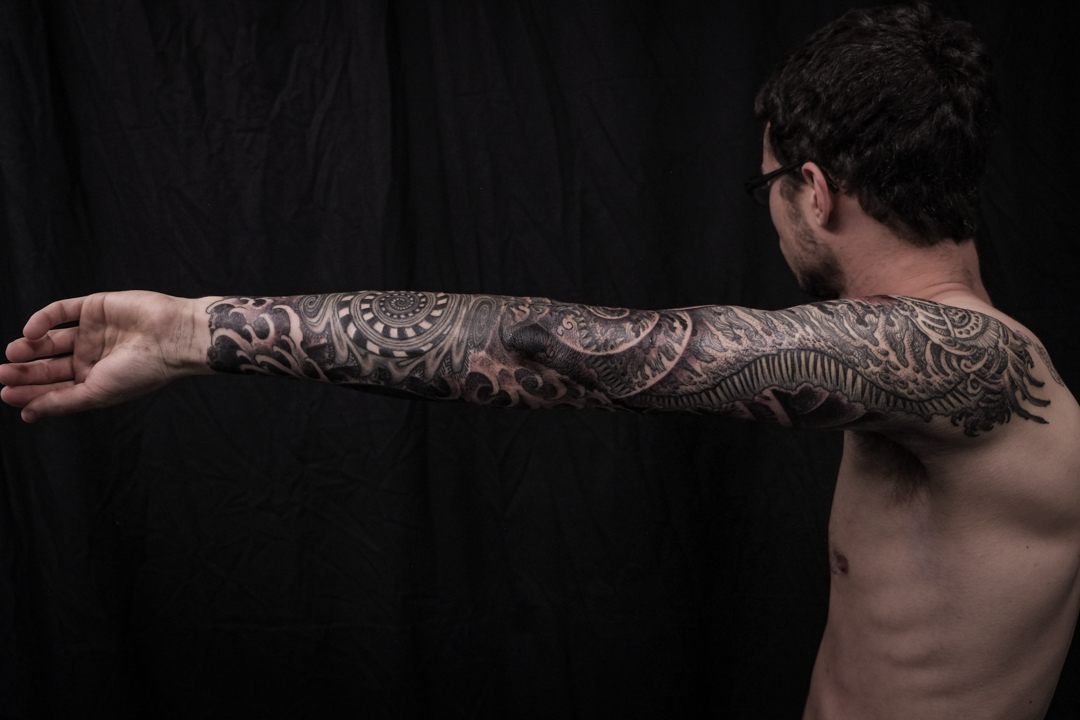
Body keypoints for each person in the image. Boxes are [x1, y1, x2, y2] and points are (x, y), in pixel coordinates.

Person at [2, 3, 1077, 718]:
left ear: (814, 188)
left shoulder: (972, 364)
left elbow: (556, 353)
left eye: (767, 190)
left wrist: (193, 332)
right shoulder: (938, 367)